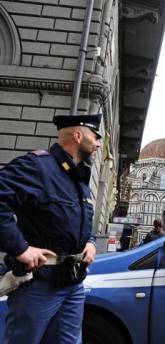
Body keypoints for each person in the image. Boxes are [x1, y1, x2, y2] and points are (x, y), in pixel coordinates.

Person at [0, 114, 101, 343]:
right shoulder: (37, 166)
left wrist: (91, 242)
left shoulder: (79, 178)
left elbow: (83, 220)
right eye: (95, 136)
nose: (98, 144)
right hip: (39, 283)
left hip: (73, 281)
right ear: (78, 135)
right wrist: (21, 248)